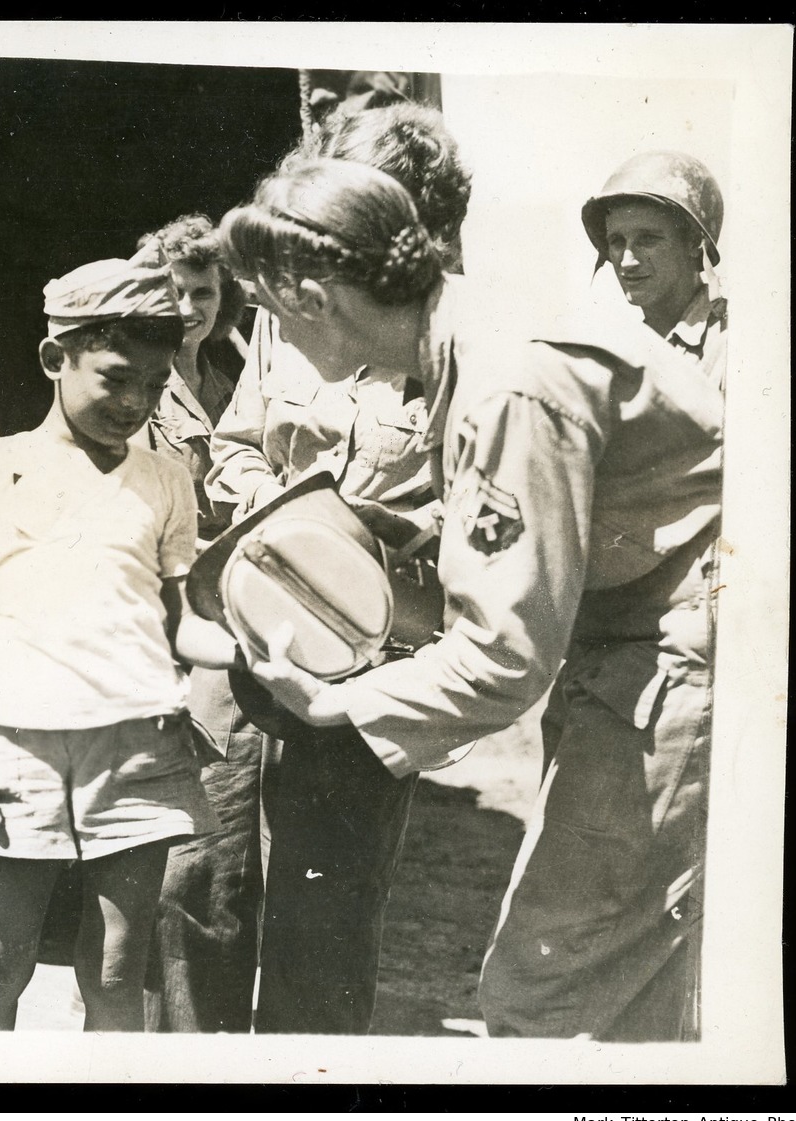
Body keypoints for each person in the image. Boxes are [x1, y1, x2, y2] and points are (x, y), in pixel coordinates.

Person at [225, 158, 721, 1041]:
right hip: (633, 649)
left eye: (267, 310)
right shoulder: (473, 337)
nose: (271, 338)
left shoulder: (506, 381)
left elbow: (505, 655)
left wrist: (337, 701)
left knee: (549, 996)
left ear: (314, 297)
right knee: (637, 994)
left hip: (681, 659)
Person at [202, 102, 473, 1035]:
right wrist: (259, 503)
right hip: (246, 625)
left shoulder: (453, 353)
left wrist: (375, 531)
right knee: (202, 888)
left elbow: (472, 516)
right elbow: (232, 443)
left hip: (363, 654)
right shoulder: (286, 313)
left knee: (323, 914)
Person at [0, 255, 233, 1031]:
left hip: (138, 744)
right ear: (53, 358)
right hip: (14, 745)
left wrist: (257, 649)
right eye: (114, 378)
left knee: (113, 974)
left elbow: (179, 620)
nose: (135, 403)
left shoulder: (167, 480)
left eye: (155, 386)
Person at [127, 215, 272, 1034]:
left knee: (242, 851)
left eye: (204, 291)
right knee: (193, 851)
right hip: (178, 624)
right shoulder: (135, 384)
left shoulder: (245, 370)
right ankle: (177, 1047)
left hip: (251, 615)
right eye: (174, 291)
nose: (190, 307)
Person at [580, 151, 727, 387]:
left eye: (647, 239)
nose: (627, 261)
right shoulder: (622, 356)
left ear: (693, 243)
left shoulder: (731, 344)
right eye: (617, 241)